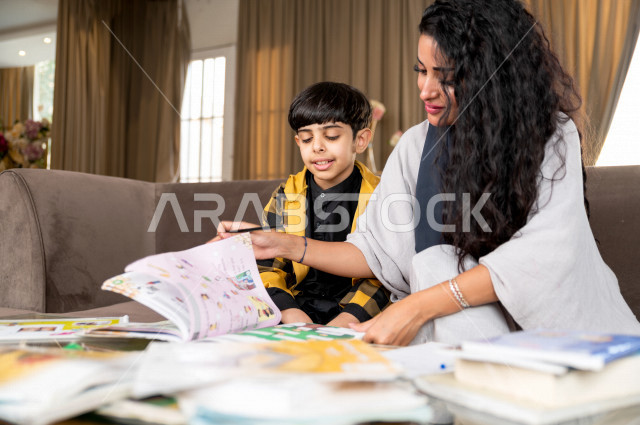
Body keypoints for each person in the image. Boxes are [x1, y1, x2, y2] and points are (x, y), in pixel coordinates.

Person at [219, 0, 640, 345]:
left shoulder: (553, 134)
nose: (425, 90)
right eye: (421, 71)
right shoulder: (415, 146)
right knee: (433, 263)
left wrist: (418, 306)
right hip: (468, 330)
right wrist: (282, 243)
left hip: (565, 326)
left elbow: (543, 255)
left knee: (434, 273)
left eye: (447, 76)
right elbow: (377, 252)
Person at [256, 81, 390, 327]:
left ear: (361, 140)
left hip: (357, 316)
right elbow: (267, 267)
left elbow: (386, 273)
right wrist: (293, 316)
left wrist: (345, 322)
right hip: (294, 313)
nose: (317, 146)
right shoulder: (286, 195)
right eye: (307, 139)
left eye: (331, 136)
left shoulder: (382, 195)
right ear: (299, 143)